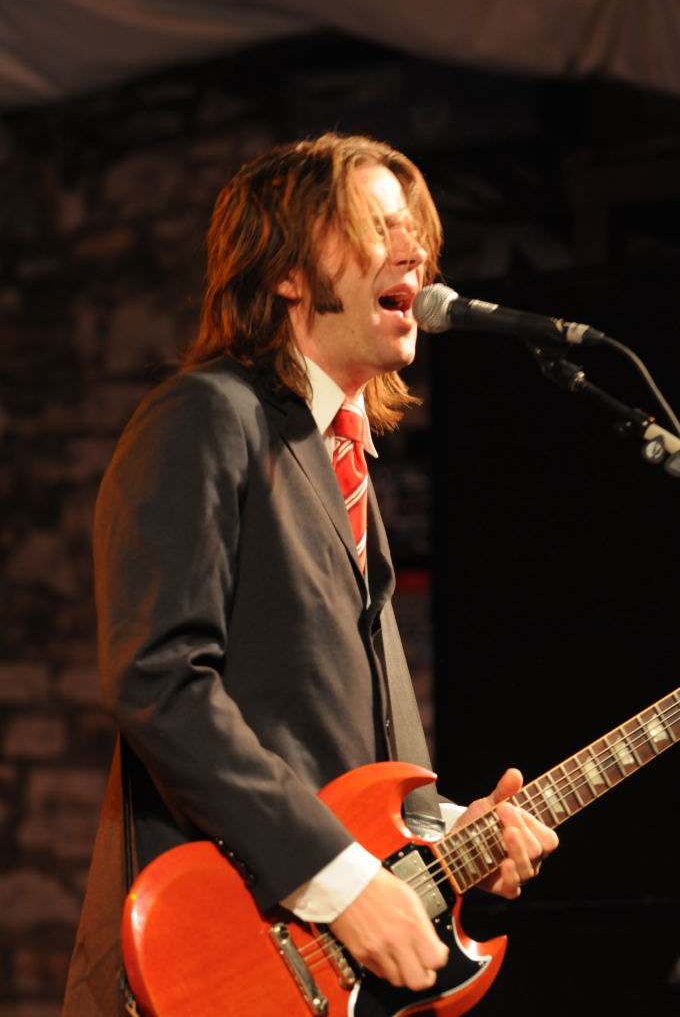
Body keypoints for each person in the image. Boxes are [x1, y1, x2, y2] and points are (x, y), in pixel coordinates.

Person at [62, 132, 558, 1015]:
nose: (414, 248)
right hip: (215, 965)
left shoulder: (339, 461)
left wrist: (448, 838)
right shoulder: (206, 414)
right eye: (376, 224)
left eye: (416, 228)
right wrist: (340, 880)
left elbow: (325, 748)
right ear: (287, 270)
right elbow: (160, 681)